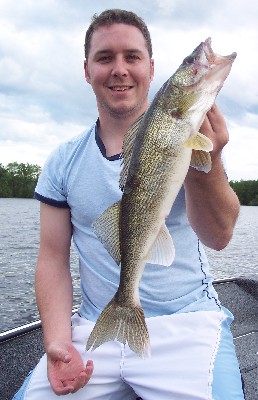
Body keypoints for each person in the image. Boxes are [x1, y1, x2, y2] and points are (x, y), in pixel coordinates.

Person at [13, 9, 245, 400]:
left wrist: (210, 160)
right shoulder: (62, 161)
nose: (119, 69)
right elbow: (52, 257)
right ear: (87, 71)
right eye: (105, 58)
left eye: (132, 57)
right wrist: (57, 342)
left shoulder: (194, 135)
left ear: (152, 69)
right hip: (95, 326)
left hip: (186, 324)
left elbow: (219, 237)